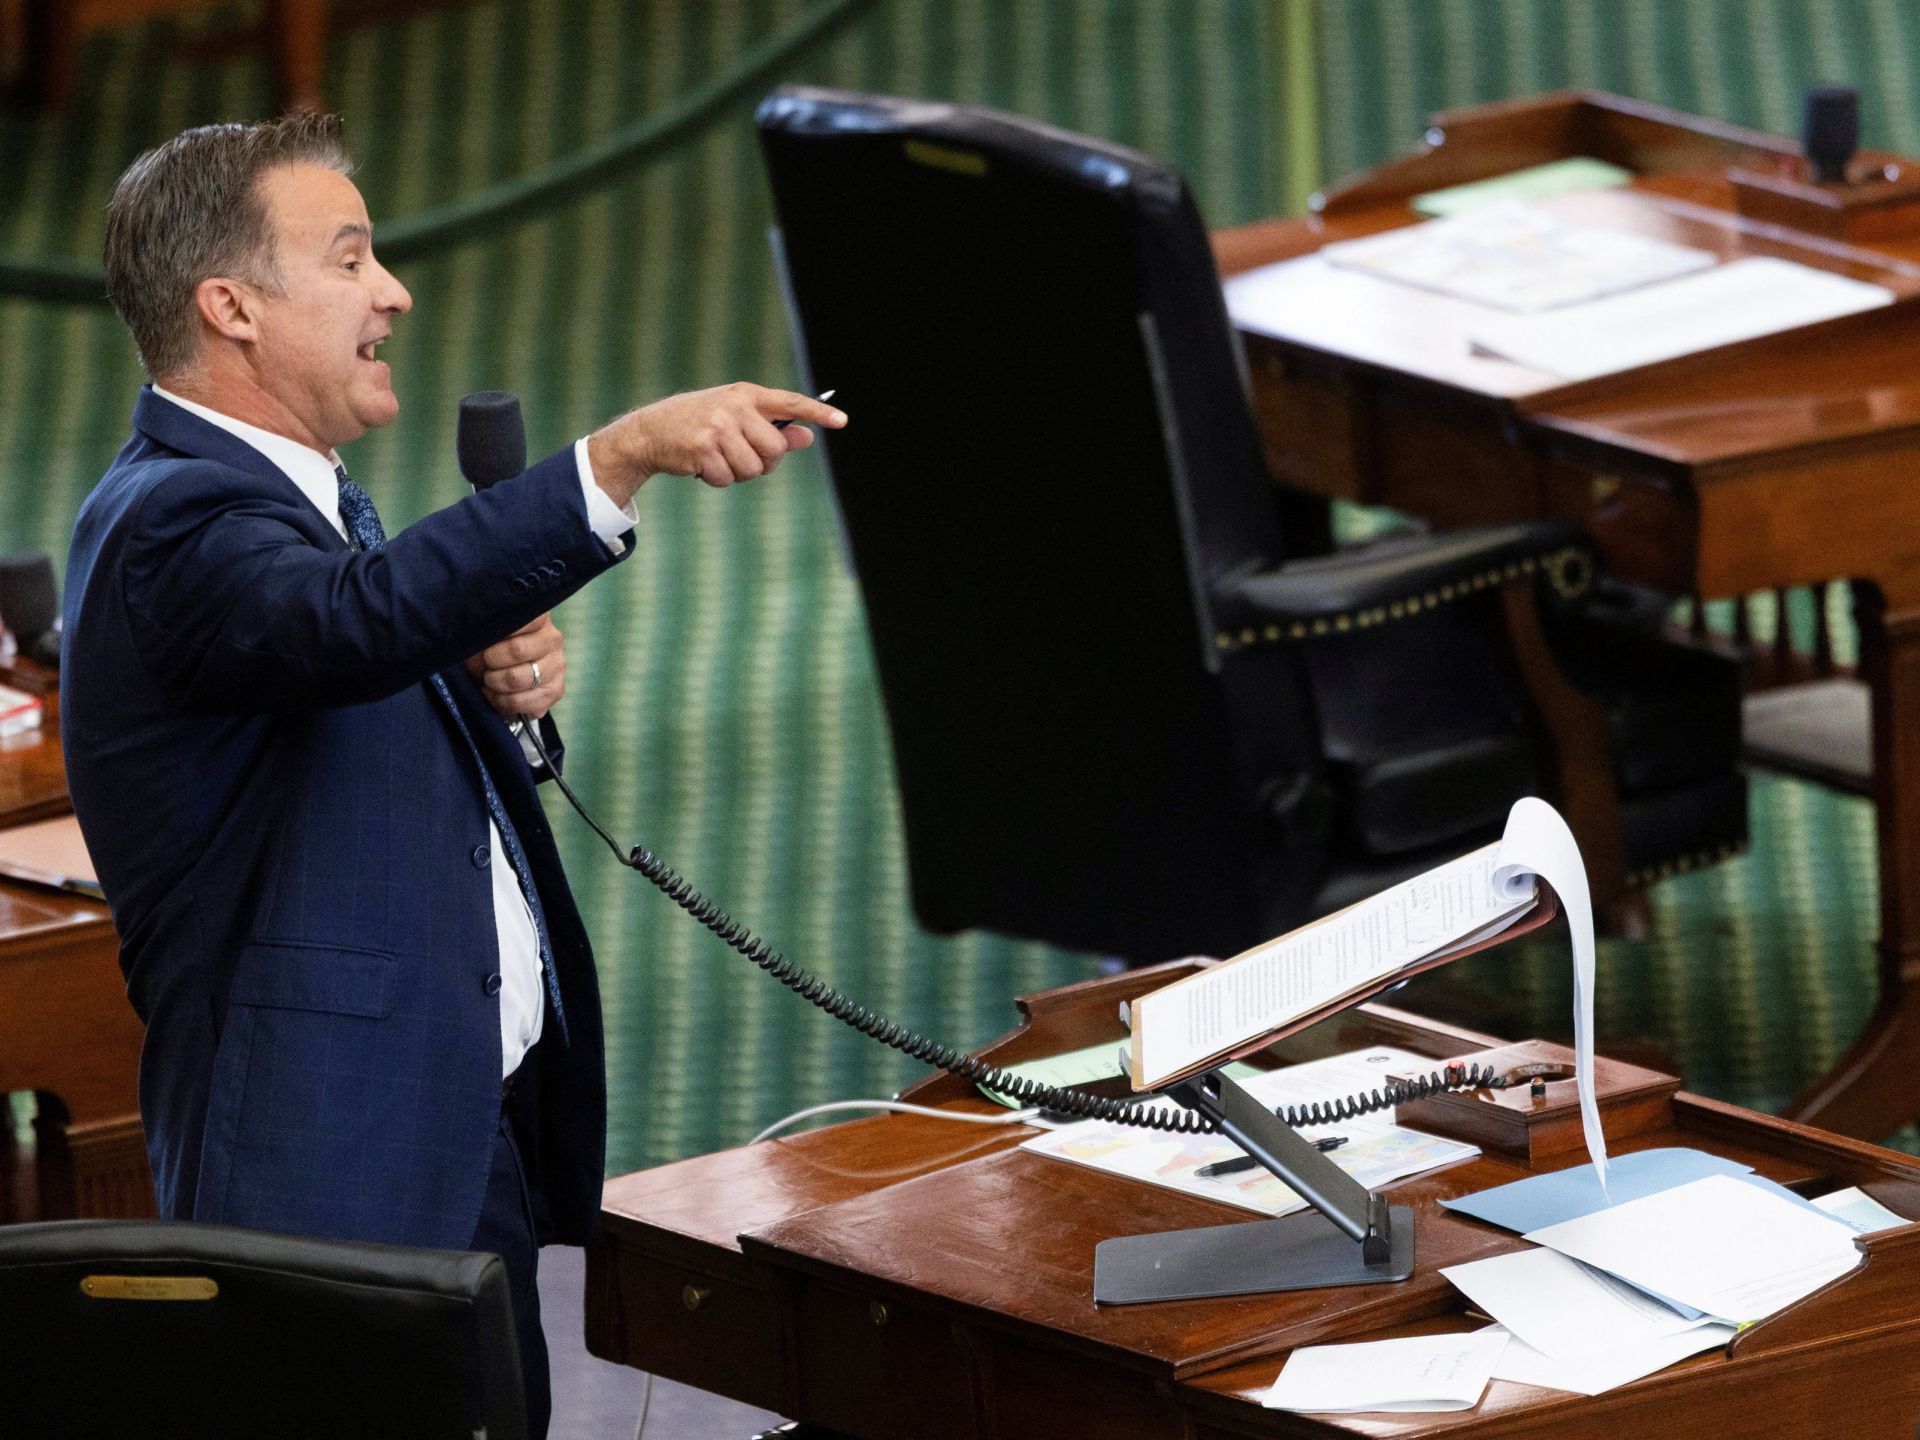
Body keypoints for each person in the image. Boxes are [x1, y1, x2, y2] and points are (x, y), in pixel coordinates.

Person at [62, 111, 845, 1437]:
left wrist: (493, 701)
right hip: (329, 1182)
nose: (395, 292)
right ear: (231, 308)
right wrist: (616, 459)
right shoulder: (175, 521)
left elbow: (353, 694)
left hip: (446, 1130)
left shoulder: (297, 500)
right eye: (350, 259)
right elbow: (355, 623)